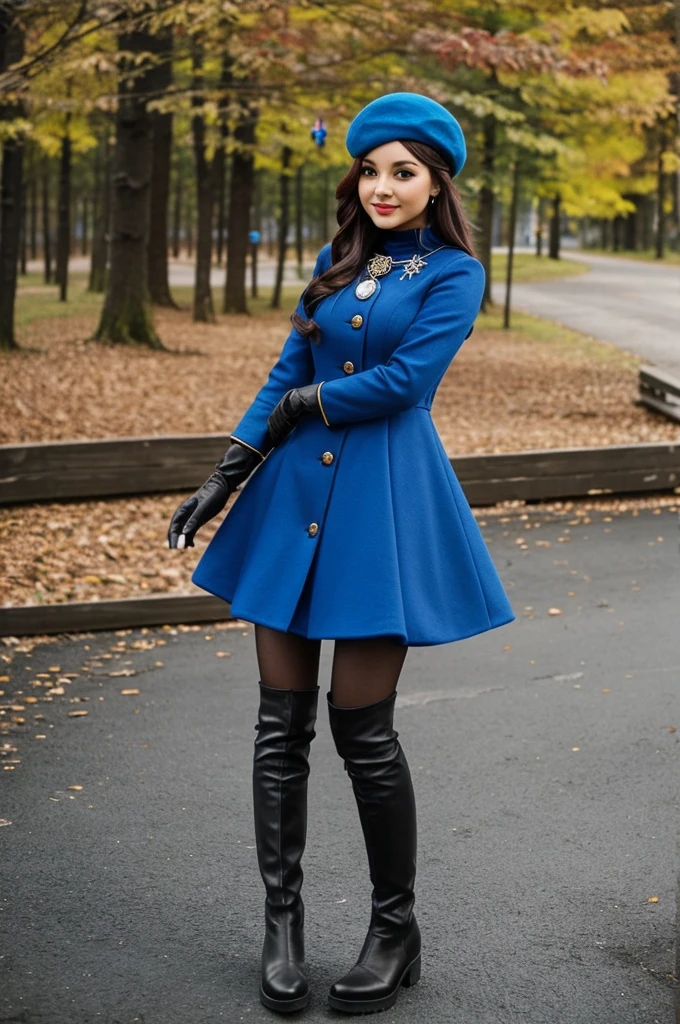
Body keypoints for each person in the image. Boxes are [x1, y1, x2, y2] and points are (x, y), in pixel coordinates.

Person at [168, 91, 515, 1016]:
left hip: (382, 513)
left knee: (365, 736)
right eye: (370, 169)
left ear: (436, 180)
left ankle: (393, 930)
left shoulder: (454, 275)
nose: (383, 186)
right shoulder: (333, 263)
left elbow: (405, 383)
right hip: (291, 508)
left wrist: (307, 407)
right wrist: (226, 474)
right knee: (278, 731)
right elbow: (286, 373)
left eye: (403, 170)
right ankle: (282, 927)